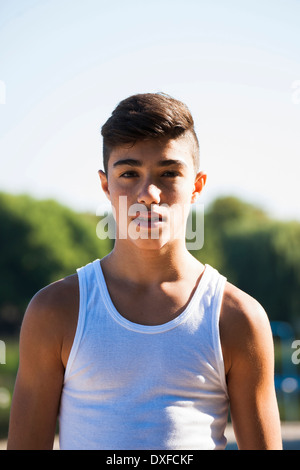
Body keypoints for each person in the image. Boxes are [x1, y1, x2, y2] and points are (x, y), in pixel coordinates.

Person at [7, 93, 282, 450]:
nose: (149, 193)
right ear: (106, 185)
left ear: (196, 186)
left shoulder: (237, 317)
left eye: (169, 173)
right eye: (129, 173)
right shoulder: (55, 311)